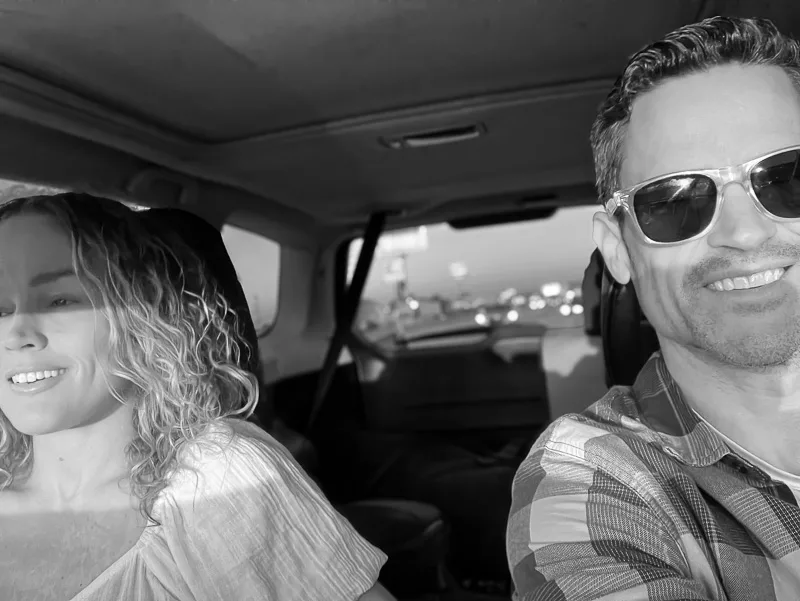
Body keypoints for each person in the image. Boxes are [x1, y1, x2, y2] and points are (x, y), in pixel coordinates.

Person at [507, 16, 800, 600]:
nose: (744, 234)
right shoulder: (592, 479)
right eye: (677, 201)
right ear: (618, 250)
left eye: (788, 178)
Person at [0, 192, 394, 600]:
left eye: (61, 300)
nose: (16, 333)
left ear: (140, 317)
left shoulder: (215, 478)